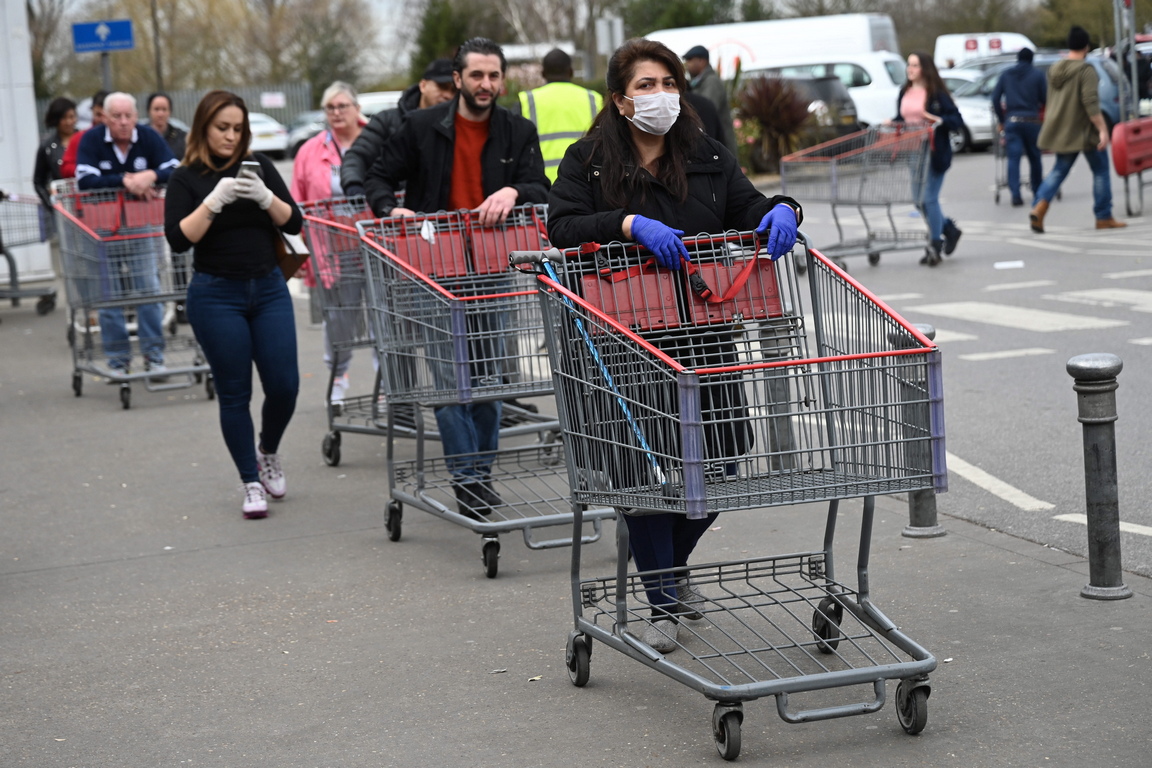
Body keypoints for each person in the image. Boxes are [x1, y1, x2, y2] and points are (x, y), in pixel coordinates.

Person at [548, 38, 802, 654]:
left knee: (724, 450)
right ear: (619, 98)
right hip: (624, 336)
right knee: (644, 465)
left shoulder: (706, 154)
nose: (659, 95)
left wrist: (782, 210)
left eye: (667, 83)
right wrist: (628, 223)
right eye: (644, 85)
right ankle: (662, 599)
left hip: (705, 329)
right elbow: (561, 226)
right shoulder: (589, 162)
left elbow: (748, 205)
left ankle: (663, 564)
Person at [364, 37, 549, 519]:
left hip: (493, 267)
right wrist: (391, 208)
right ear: (458, 78)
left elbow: (540, 186)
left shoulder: (517, 130)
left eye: (494, 76)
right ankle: (468, 480)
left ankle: (479, 476)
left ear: (501, 80)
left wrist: (512, 190)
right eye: (477, 76)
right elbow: (378, 178)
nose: (486, 84)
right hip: (434, 269)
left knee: (488, 381)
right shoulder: (421, 127)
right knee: (450, 384)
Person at [164, 90, 303, 519]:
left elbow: (294, 221)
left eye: (237, 129)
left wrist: (264, 197)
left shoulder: (257, 167)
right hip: (215, 294)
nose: (230, 136)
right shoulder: (185, 177)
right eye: (222, 128)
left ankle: (268, 451)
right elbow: (178, 239)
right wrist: (213, 200)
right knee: (234, 393)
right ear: (204, 127)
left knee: (284, 384)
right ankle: (249, 481)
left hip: (267, 287)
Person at [75, 92, 178, 376]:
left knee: (148, 290)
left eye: (128, 116)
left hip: (141, 226)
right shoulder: (92, 140)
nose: (123, 122)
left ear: (136, 116)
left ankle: (154, 356)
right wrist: (126, 181)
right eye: (116, 117)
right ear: (105, 118)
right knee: (109, 297)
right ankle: (118, 360)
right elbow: (85, 179)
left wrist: (151, 176)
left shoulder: (148, 137)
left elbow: (174, 168)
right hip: (102, 229)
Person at [289, 81, 367, 410]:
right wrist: (299, 252)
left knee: (383, 317)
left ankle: (387, 379)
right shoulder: (311, 150)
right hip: (333, 249)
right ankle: (338, 377)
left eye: (342, 106)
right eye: (330, 108)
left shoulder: (375, 139)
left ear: (356, 108)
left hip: (374, 244)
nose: (336, 113)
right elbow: (297, 201)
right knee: (339, 318)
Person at [1030, 26, 1127, 232]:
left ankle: (1039, 207)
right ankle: (1103, 216)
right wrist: (1102, 129)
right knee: (1100, 170)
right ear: (1086, 47)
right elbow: (1090, 103)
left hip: (1062, 132)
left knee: (1058, 171)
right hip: (1084, 131)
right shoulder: (1085, 70)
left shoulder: (1055, 69)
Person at [340, 59, 457, 198]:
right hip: (394, 208)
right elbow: (358, 155)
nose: (448, 95)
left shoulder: (458, 126)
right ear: (423, 85)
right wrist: (354, 185)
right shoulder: (387, 121)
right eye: (442, 87)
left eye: (454, 90)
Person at [889, 52, 964, 266]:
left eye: (915, 65)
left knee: (929, 198)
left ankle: (935, 244)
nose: (910, 69)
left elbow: (955, 119)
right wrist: (892, 122)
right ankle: (948, 228)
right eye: (909, 65)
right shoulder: (905, 91)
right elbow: (903, 118)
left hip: (933, 150)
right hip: (913, 150)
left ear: (925, 68)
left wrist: (937, 119)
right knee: (918, 200)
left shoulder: (936, 93)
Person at [517, 48, 603, 182]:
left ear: (543, 73)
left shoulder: (526, 100)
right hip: (584, 182)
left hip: (542, 184)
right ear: (571, 72)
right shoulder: (593, 98)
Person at [992, 48, 1047, 208]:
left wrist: (1001, 119)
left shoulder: (1006, 74)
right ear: (1031, 59)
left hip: (1012, 121)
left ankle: (1015, 194)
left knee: (1013, 158)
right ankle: (1037, 190)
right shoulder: (1037, 75)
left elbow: (995, 98)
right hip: (1032, 121)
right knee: (1034, 157)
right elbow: (1045, 99)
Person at [682, 45, 737, 154]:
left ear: (701, 61)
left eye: (690, 60)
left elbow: (705, 110)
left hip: (719, 143)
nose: (687, 64)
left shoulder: (711, 81)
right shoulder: (698, 82)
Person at [33, 97, 78, 208]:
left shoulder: (85, 139)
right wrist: (51, 203)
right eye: (64, 118)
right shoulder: (47, 146)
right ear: (56, 119)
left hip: (85, 200)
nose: (68, 122)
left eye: (71, 117)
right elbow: (38, 181)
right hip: (62, 204)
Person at [61, 90, 109, 178]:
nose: (102, 120)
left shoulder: (125, 138)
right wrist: (88, 170)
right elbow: (66, 168)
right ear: (92, 111)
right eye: (98, 115)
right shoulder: (80, 138)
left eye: (106, 115)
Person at [146, 92, 187, 160]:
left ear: (170, 112)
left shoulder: (181, 138)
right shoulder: (140, 136)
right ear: (149, 111)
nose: (160, 114)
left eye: (164, 109)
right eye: (156, 109)